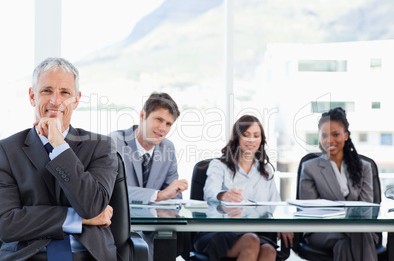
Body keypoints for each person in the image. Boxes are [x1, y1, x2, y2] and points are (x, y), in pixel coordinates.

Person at [0, 57, 118, 261]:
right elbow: (6, 224)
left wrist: (59, 146)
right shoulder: (5, 150)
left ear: (76, 100)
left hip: (87, 255)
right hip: (29, 255)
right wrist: (79, 219)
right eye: (46, 91)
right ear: (32, 96)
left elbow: (93, 206)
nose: (55, 100)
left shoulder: (101, 146)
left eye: (65, 92)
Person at [193, 115, 293, 261]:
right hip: (218, 231)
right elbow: (209, 192)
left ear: (261, 140)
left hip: (255, 232)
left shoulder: (265, 170)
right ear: (237, 138)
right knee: (251, 242)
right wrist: (223, 195)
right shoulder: (219, 165)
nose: (251, 140)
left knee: (269, 250)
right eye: (246, 135)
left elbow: (275, 205)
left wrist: (282, 222)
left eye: (256, 135)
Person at [110, 92, 188, 260]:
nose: (163, 129)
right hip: (121, 231)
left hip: (156, 234)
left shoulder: (168, 148)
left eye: (168, 124)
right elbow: (112, 192)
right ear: (143, 115)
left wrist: (169, 195)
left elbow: (175, 195)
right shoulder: (115, 141)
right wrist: (158, 195)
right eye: (159, 120)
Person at [299, 107, 378, 261]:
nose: (329, 140)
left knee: (345, 243)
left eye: (335, 134)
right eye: (324, 135)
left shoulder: (364, 167)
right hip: (321, 230)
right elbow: (311, 211)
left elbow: (367, 208)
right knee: (357, 235)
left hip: (358, 229)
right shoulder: (309, 168)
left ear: (346, 135)